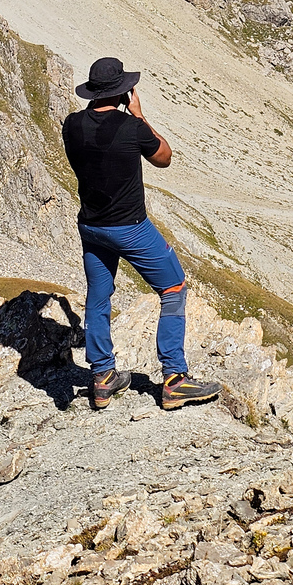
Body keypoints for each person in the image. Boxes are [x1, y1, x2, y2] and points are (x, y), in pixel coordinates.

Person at [62, 56, 220, 411]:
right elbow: (163, 157)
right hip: (130, 227)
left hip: (91, 226)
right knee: (174, 287)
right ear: (124, 91)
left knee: (99, 296)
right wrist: (138, 114)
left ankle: (103, 377)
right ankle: (175, 380)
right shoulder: (132, 128)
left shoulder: (71, 125)